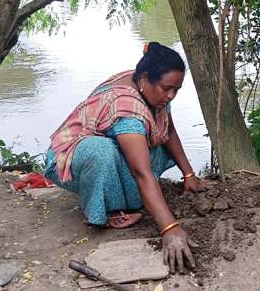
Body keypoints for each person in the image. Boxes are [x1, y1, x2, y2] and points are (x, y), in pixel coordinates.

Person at [44, 42, 207, 273]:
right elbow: (141, 172)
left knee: (152, 149)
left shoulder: (148, 86)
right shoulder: (127, 107)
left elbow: (168, 130)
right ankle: (106, 211)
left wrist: (189, 175)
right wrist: (170, 228)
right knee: (103, 152)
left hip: (112, 144)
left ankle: (126, 201)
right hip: (69, 159)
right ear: (146, 79)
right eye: (167, 88)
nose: (171, 95)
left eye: (177, 89)